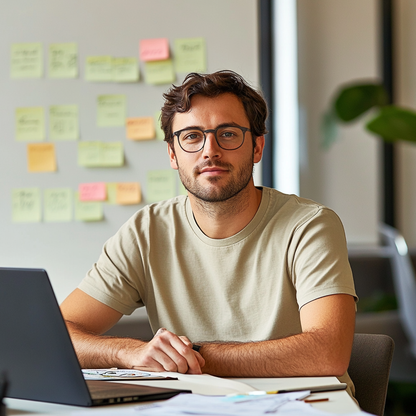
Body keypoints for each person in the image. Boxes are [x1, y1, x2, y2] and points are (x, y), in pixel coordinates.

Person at [61, 70, 357, 394]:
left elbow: (328, 351)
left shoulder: (310, 226)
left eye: (228, 134)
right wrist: (129, 353)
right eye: (191, 136)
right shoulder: (146, 232)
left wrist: (195, 357)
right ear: (173, 154)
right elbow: (57, 333)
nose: (209, 151)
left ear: (257, 147)